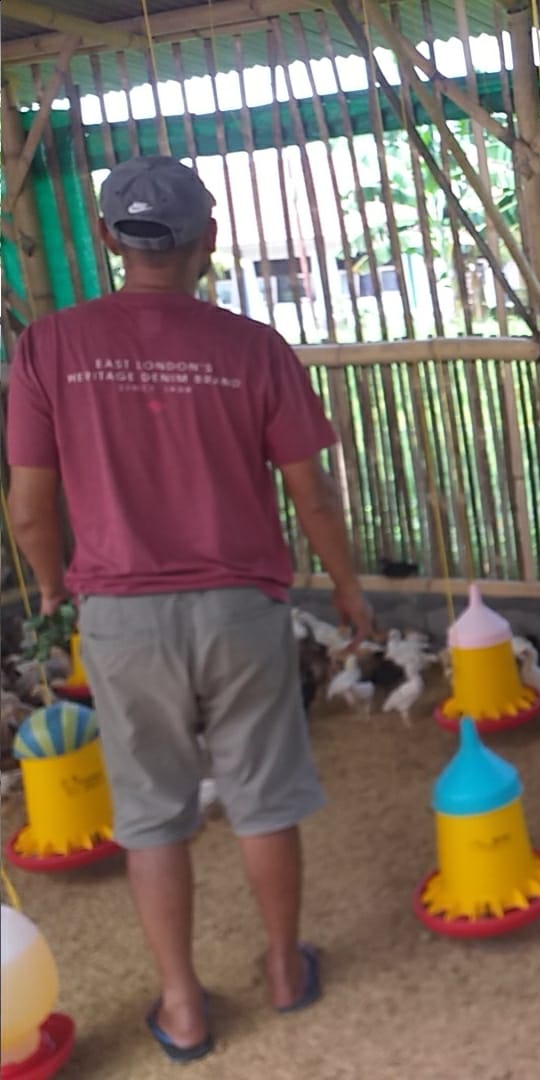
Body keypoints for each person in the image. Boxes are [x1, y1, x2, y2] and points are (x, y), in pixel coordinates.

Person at [5, 156, 373, 1063]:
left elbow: (30, 508)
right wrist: (347, 586)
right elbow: (313, 494)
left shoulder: (49, 348)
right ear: (209, 239)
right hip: (242, 609)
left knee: (150, 813)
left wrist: (52, 589)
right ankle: (283, 970)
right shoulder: (255, 348)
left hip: (122, 617)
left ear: (106, 238)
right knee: (263, 797)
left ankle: (182, 1007)